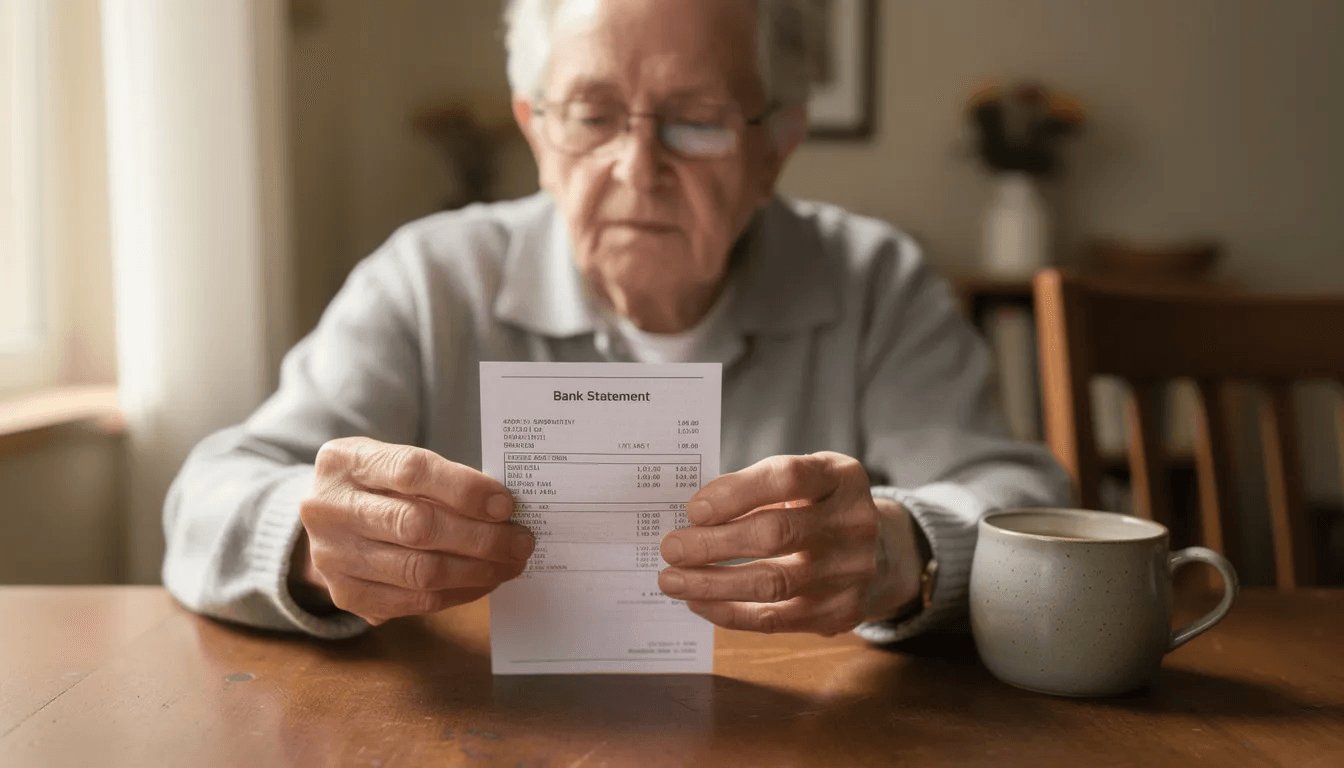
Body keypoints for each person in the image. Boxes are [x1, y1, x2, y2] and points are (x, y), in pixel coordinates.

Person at [163, 0, 1069, 643]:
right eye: (593, 116)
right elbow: (209, 492)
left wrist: (902, 548)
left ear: (774, 147)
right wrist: (313, 544)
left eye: (697, 120)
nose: (639, 169)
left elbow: (1022, 503)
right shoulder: (428, 278)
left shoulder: (877, 281)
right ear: (538, 134)